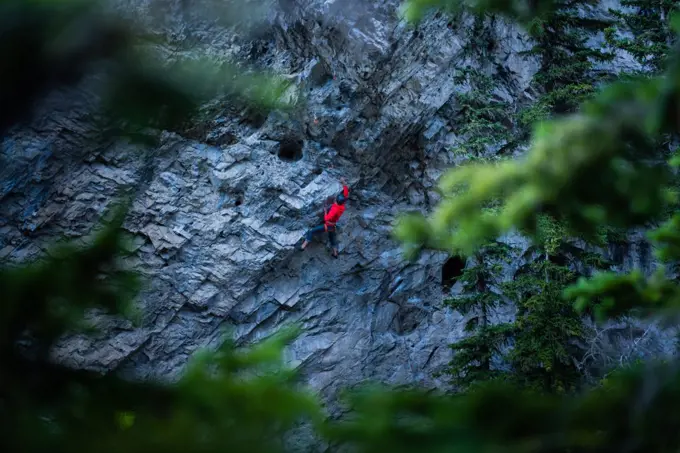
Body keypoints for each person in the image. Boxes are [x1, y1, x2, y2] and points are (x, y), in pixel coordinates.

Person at [300, 177, 349, 258]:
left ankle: (303, 246)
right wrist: (343, 182)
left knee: (311, 231)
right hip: (333, 225)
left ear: (336, 201)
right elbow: (346, 191)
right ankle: (335, 253)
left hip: (328, 225)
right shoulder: (342, 206)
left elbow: (327, 219)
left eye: (335, 199)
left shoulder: (335, 209)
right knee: (332, 238)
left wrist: (326, 211)